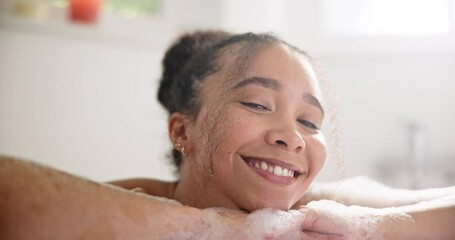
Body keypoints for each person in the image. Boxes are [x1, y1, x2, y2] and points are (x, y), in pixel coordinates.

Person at [1, 30, 454, 239]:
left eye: (310, 122)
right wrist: (215, 228)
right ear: (183, 129)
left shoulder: (319, 214)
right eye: (258, 104)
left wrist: (374, 227)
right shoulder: (135, 205)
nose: (292, 137)